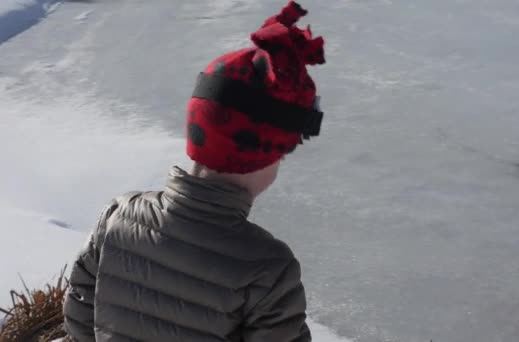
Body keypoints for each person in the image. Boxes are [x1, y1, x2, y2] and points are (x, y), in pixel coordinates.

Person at [62, 1, 326, 341]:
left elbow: (80, 319)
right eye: (284, 152)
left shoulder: (117, 217)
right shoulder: (268, 268)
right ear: (264, 159)